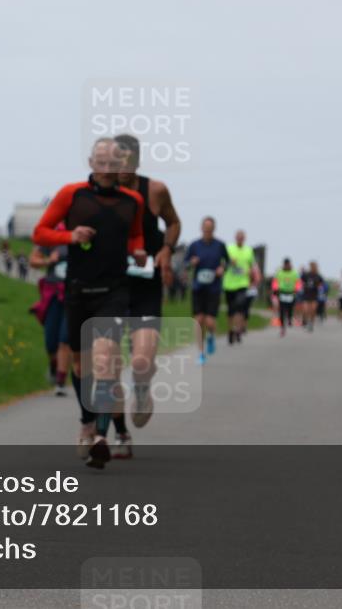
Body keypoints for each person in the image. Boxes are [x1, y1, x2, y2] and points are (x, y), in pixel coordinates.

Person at [32, 138, 146, 469]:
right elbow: (41, 233)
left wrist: (137, 251)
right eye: (100, 161)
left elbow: (136, 235)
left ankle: (99, 434)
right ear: (90, 162)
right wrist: (70, 236)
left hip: (114, 290)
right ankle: (86, 420)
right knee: (82, 367)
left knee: (105, 358)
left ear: (121, 164)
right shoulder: (72, 194)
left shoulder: (132, 201)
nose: (106, 167)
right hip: (79, 290)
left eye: (113, 162)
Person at [113, 134, 181, 458]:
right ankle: (118, 433)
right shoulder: (98, 193)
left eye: (128, 162)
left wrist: (167, 249)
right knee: (106, 368)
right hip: (109, 288)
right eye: (116, 161)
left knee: (141, 361)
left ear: (137, 162)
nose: (122, 169)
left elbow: (174, 222)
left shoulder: (155, 190)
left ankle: (142, 388)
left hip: (145, 286)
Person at [28, 226, 70, 397]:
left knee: (64, 339)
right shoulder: (53, 234)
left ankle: (60, 381)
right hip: (53, 294)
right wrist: (49, 261)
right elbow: (33, 260)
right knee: (50, 341)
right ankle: (54, 365)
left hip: (74, 295)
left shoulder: (85, 232)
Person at [185, 216, 228, 364]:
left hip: (213, 287)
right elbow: (186, 263)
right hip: (198, 287)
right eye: (205, 227)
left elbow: (226, 261)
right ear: (201, 228)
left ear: (213, 229)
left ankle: (211, 336)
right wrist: (191, 262)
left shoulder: (220, 245)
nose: (207, 230)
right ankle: (201, 353)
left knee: (209, 321)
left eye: (210, 228)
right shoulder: (194, 245)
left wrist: (222, 268)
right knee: (198, 321)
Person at [222, 230, 260, 345]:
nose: (240, 239)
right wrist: (229, 263)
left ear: (244, 238)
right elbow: (222, 264)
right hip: (229, 283)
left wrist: (254, 274)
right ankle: (230, 330)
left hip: (243, 284)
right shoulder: (229, 249)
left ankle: (238, 330)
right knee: (231, 309)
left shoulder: (249, 250)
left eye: (242, 237)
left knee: (240, 307)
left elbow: (253, 265)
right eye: (238, 237)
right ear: (235, 238)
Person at [271, 258, 299, 338]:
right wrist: (275, 289)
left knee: (290, 308)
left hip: (291, 293)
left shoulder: (294, 273)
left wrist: (297, 289)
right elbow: (275, 281)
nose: (287, 266)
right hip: (282, 293)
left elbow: (298, 282)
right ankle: (283, 327)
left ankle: (290, 318)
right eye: (285, 264)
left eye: (288, 264)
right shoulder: (279, 272)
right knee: (282, 311)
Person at [300, 261, 325, 332]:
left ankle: (311, 324)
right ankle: (304, 319)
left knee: (313, 310)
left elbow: (321, 284)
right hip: (306, 295)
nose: (313, 268)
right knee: (305, 309)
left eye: (314, 266)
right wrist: (302, 286)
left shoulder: (318, 276)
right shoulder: (306, 275)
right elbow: (300, 281)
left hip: (314, 295)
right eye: (312, 266)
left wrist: (319, 287)